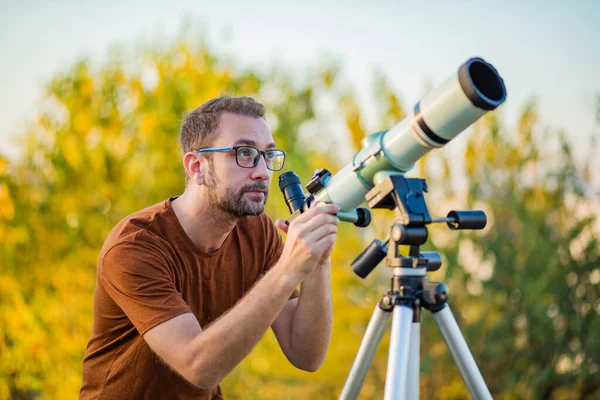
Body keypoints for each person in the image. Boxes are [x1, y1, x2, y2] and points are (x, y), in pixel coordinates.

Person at [79, 95, 340, 399]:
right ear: (196, 166)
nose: (263, 172)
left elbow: (306, 355)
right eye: (244, 153)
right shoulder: (135, 247)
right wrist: (287, 270)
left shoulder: (258, 232)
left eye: (267, 156)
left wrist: (317, 261)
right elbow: (198, 367)